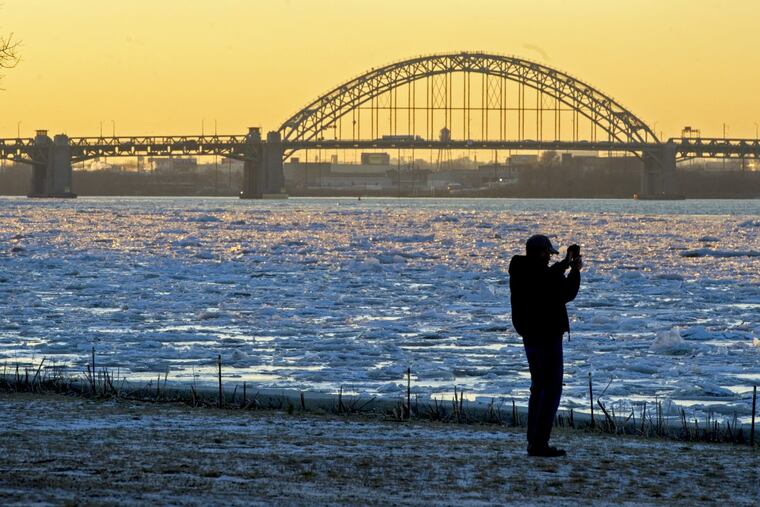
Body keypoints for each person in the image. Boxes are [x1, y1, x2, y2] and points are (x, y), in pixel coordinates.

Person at [509, 234, 582, 457]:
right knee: (549, 389)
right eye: (547, 254)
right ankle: (539, 443)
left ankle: (536, 442)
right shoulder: (532, 272)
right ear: (540, 253)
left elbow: (564, 291)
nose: (549, 259)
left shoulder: (524, 270)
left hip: (534, 337)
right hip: (546, 337)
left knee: (540, 388)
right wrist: (568, 266)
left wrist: (573, 269)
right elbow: (547, 283)